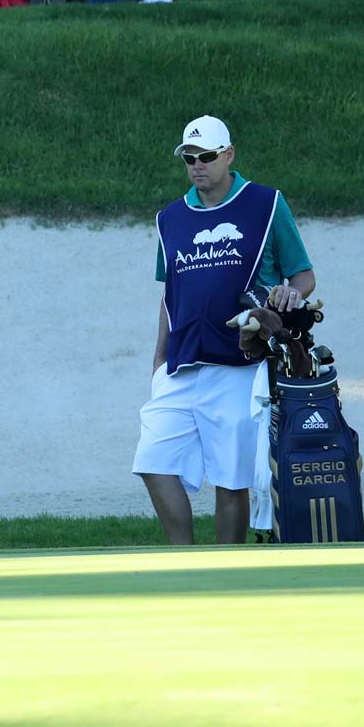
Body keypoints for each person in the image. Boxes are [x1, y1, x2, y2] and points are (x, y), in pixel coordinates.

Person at [138, 114, 314, 547]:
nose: (198, 165)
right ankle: (184, 561)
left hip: (241, 362)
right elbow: (170, 293)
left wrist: (290, 293)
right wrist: (159, 359)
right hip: (181, 363)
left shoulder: (266, 204)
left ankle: (228, 569)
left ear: (229, 154)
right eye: (190, 158)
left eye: (207, 156)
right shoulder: (170, 218)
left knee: (231, 480)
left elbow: (303, 275)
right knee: (153, 462)